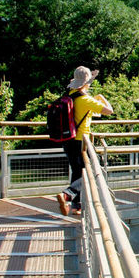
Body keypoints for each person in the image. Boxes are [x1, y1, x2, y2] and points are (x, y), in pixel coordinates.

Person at [57, 66, 114, 217]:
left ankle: (76, 205)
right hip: (81, 141)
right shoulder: (86, 100)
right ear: (86, 83)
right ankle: (67, 195)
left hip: (67, 139)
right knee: (91, 171)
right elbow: (109, 110)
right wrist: (101, 97)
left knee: (77, 171)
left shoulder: (69, 95)